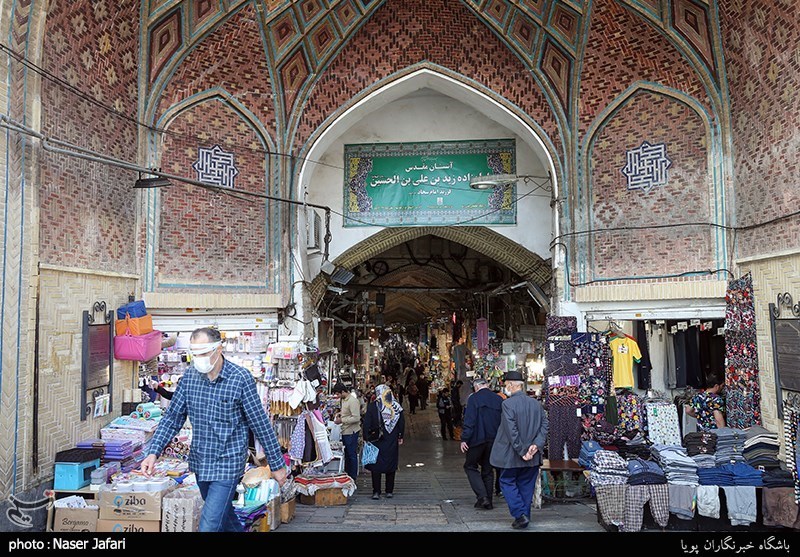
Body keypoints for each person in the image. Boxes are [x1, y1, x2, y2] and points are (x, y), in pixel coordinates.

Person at [141, 327, 288, 532]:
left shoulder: (240, 378)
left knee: (209, 525)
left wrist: (277, 465)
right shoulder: (189, 378)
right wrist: (153, 452)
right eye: (195, 354)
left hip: (228, 463)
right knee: (225, 518)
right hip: (201, 463)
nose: (199, 359)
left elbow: (260, 423)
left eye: (203, 353)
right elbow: (172, 418)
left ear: (219, 349)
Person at [490, 370, 548, 530]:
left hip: (512, 455)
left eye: (506, 384)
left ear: (510, 385)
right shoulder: (536, 403)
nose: (505, 387)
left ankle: (519, 514)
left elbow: (511, 430)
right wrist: (536, 445)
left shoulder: (507, 404)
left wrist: (523, 451)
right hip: (533, 455)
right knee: (526, 485)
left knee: (506, 481)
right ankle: (525, 516)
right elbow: (545, 425)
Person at [460, 377, 503, 510]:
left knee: (470, 466)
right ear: (487, 385)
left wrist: (464, 439)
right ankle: (488, 502)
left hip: (477, 440)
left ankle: (482, 496)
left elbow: (470, 420)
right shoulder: (498, 399)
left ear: (476, 387)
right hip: (494, 440)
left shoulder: (473, 398)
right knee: (488, 470)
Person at [362, 384, 405, 499]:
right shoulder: (396, 406)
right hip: (391, 439)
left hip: (376, 438)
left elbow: (367, 423)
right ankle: (389, 490)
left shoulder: (373, 406)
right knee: (391, 463)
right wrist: (400, 436)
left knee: (376, 465)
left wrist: (366, 437)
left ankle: (376, 491)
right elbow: (401, 422)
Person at [332, 382, 361, 482]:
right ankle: (348, 475)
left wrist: (342, 420)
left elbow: (356, 418)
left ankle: (353, 477)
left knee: (351, 455)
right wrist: (340, 413)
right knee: (347, 455)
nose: (337, 396)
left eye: (338, 394)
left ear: (343, 391)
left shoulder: (352, 401)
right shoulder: (344, 400)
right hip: (345, 431)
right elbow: (347, 412)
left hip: (351, 432)